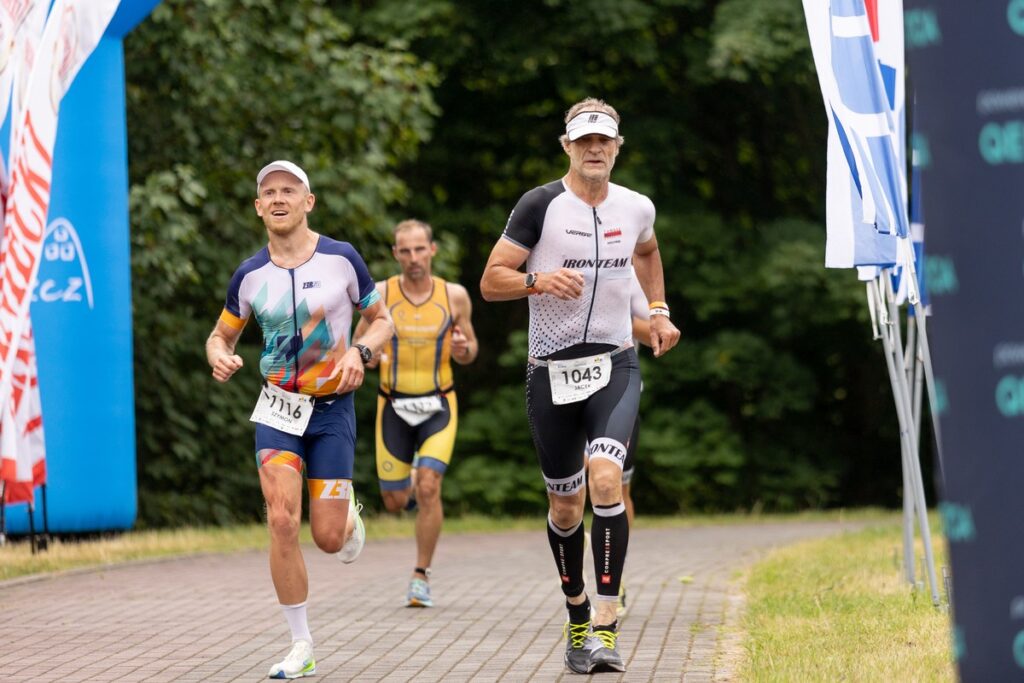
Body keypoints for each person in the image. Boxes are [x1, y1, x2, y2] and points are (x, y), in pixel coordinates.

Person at [480, 98, 680, 674]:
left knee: (607, 477)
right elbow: (492, 281)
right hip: (550, 370)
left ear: (618, 147)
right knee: (566, 507)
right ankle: (576, 617)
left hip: (616, 365)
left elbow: (647, 251)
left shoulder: (637, 206)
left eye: (605, 141)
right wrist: (537, 281)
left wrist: (659, 310)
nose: (595, 149)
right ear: (566, 145)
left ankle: (608, 626)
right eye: (584, 140)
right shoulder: (539, 206)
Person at [206, 160, 394, 680]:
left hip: (332, 408)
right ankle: (300, 643)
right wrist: (217, 353)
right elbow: (221, 334)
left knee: (328, 538)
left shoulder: (342, 259)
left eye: (290, 190)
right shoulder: (249, 275)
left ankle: (349, 515)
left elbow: (382, 320)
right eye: (269, 192)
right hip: (278, 408)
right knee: (282, 518)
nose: (279, 198)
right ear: (259, 207)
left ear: (308, 202)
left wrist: (360, 351)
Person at [353, 219, 478, 608]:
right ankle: (407, 486)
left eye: (420, 249)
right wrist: (369, 355)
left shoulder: (454, 296)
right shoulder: (380, 294)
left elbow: (471, 348)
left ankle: (420, 575)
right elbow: (359, 345)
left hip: (439, 403)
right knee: (394, 502)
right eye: (404, 251)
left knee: (429, 485)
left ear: (432, 250)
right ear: (395, 255)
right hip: (392, 405)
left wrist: (463, 349)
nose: (413, 258)